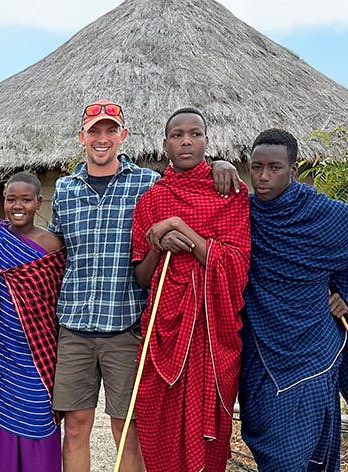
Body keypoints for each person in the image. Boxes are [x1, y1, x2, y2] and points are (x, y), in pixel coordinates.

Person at [47, 100, 240, 472]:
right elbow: (54, 244)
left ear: (123, 135)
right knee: (75, 427)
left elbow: (187, 179)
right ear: (81, 137)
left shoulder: (147, 184)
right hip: (74, 325)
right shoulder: (65, 189)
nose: (102, 138)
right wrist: (3, 233)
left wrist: (221, 164)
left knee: (126, 429)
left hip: (127, 326)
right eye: (94, 131)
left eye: (110, 130)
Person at [239, 129, 348, 471]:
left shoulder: (320, 213)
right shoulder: (242, 214)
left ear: (293, 169)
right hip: (260, 348)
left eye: (274, 168)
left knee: (297, 459)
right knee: (270, 450)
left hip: (312, 350)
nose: (263, 176)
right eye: (256, 167)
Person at [129, 108, 250, 472]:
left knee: (208, 428)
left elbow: (236, 264)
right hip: (163, 326)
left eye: (195, 134)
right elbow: (142, 278)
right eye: (177, 135)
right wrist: (158, 246)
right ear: (165, 144)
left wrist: (179, 226)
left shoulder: (229, 191)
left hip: (212, 328)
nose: (186, 141)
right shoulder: (151, 199)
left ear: (207, 141)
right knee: (157, 417)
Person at [0, 172, 66, 471]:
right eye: (11, 199)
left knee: (39, 418)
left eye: (26, 200)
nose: (17, 206)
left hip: (39, 351)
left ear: (38, 202)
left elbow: (56, 299)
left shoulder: (54, 246)